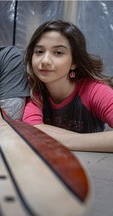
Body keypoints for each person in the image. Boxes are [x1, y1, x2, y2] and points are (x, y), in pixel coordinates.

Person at [22, 20, 113, 152]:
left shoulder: (95, 91)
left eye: (58, 52)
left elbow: (37, 135)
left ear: (74, 62)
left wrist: (63, 141)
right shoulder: (34, 90)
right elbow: (31, 130)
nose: (45, 61)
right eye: (39, 52)